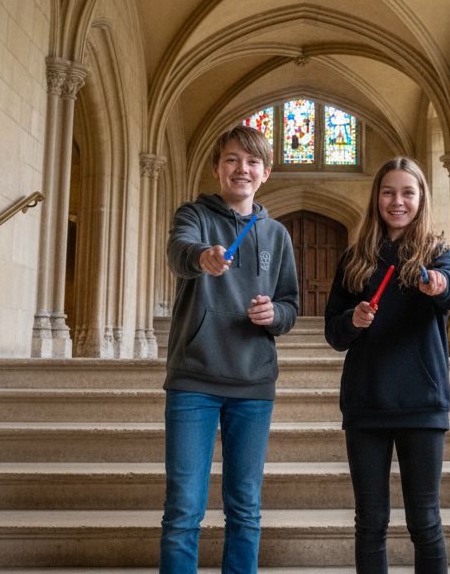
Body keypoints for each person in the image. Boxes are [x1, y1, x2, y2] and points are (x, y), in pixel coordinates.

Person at [159, 125, 299, 573]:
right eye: (233, 159)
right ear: (217, 169)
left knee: (245, 509)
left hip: (253, 383)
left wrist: (273, 315)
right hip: (194, 380)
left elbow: (290, 305)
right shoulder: (194, 215)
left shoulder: (276, 234)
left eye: (253, 161)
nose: (242, 169)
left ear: (266, 173)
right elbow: (179, 250)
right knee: (183, 510)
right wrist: (203, 256)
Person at [324, 156, 450, 574]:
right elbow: (334, 333)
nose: (398, 201)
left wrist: (439, 284)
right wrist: (352, 321)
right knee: (370, 523)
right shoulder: (355, 258)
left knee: (425, 521)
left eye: (408, 192)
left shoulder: (438, 254)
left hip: (422, 403)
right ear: (377, 198)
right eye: (388, 192)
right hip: (366, 402)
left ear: (421, 198)